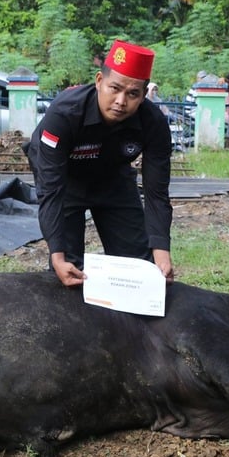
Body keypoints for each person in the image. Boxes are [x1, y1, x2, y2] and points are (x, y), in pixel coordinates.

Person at [26, 39, 174, 288]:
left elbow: (156, 193)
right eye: (114, 88)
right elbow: (50, 191)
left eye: (133, 94)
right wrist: (57, 255)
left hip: (113, 177)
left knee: (140, 269)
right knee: (69, 272)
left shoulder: (153, 123)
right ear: (98, 81)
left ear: (144, 94)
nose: (120, 101)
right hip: (65, 178)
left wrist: (161, 249)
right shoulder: (64, 114)